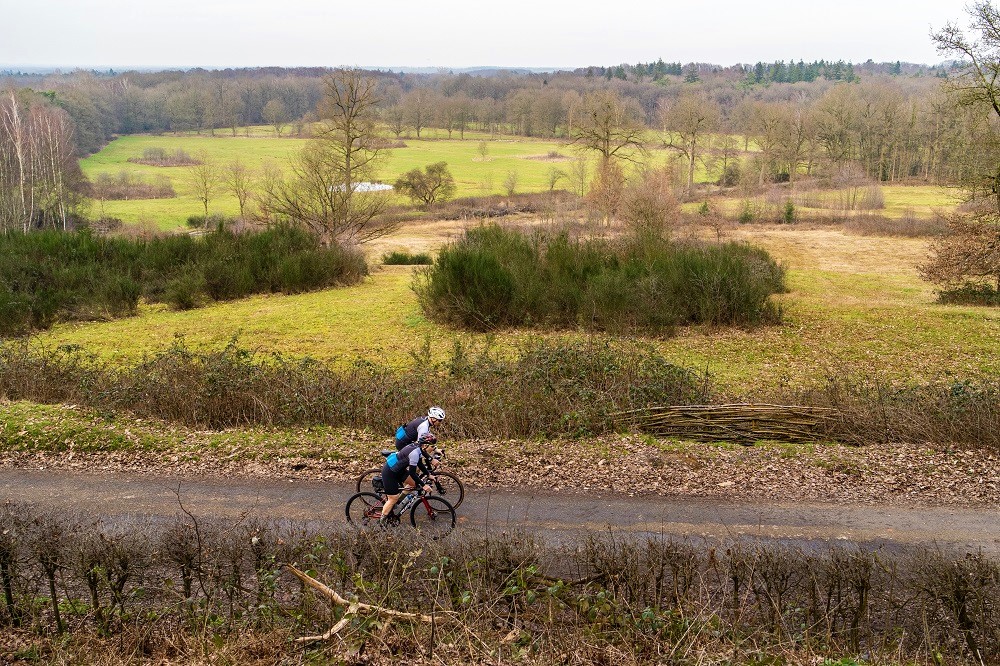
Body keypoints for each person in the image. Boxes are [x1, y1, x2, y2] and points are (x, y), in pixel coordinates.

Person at [379, 433, 438, 524]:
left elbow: (420, 464)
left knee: (414, 484)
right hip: (390, 472)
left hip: (399, 469)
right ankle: (381, 523)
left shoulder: (418, 448)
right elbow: (412, 473)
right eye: (432, 446)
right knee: (393, 498)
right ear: (425, 445)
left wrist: (428, 474)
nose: (434, 448)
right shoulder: (415, 452)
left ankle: (399, 501)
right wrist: (424, 485)